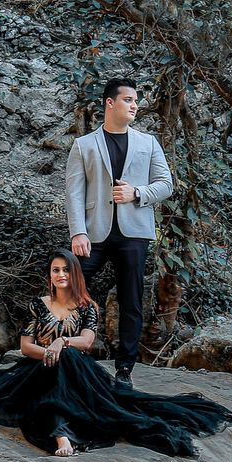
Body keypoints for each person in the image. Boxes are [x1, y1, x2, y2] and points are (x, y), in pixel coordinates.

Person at [0, 250, 232, 458]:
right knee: (48, 370)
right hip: (36, 367)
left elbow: (87, 341)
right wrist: (47, 350)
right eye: (55, 270)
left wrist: (61, 343)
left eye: (65, 270)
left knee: (70, 361)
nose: (59, 275)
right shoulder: (39, 304)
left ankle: (61, 432)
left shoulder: (87, 306)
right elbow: (25, 345)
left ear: (74, 276)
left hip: (76, 369)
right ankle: (60, 432)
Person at [65, 75, 173, 381]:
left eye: (136, 101)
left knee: (131, 301)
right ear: (109, 103)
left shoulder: (148, 143)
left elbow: (166, 184)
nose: (135, 105)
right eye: (128, 100)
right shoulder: (83, 145)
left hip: (134, 234)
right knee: (70, 290)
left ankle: (124, 368)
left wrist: (136, 193)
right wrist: (78, 232)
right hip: (93, 234)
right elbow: (73, 191)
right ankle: (66, 352)